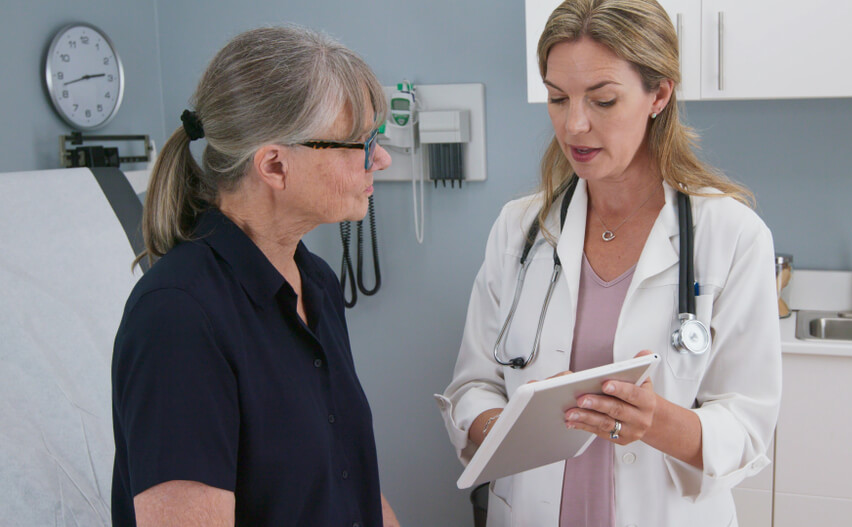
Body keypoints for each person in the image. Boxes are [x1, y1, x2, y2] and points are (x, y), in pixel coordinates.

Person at [436, 0, 781, 525]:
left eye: (602, 100)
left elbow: (747, 425)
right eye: (557, 98)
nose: (574, 125)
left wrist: (658, 421)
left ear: (658, 94)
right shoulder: (520, 229)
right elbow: (473, 384)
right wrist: (505, 430)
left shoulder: (731, 235)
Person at [111, 26, 400, 527]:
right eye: (360, 143)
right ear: (274, 165)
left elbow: (348, 482)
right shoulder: (177, 317)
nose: (381, 158)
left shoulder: (318, 284)